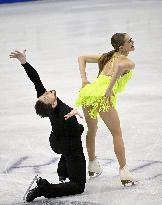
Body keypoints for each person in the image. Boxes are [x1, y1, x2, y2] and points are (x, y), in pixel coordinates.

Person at [9, 50, 86, 202]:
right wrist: (76, 113)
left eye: (44, 94)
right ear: (50, 104)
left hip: (55, 140)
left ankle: (63, 171)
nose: (47, 92)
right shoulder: (65, 114)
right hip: (67, 145)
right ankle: (45, 188)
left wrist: (24, 62)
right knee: (78, 185)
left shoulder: (50, 105)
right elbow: (74, 132)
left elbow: (35, 79)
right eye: (45, 96)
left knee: (78, 130)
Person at [75, 33, 137, 185]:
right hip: (103, 97)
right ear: (121, 47)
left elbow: (81, 57)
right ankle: (124, 172)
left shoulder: (106, 56)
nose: (133, 41)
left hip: (88, 94)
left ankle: (92, 165)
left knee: (92, 130)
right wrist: (109, 89)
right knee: (117, 133)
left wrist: (84, 79)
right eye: (130, 41)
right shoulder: (129, 62)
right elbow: (120, 67)